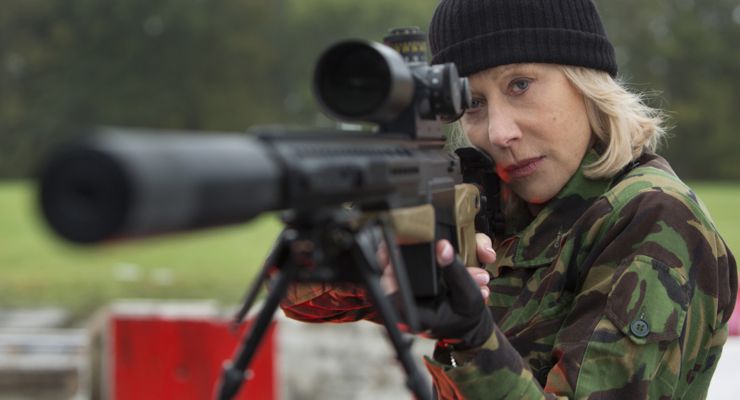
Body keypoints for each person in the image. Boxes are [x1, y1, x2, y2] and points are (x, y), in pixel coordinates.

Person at [278, 0, 738, 398]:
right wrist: (380, 255)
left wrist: (472, 337)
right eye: (473, 103)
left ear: (585, 81)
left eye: (520, 84)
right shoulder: (486, 195)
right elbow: (297, 296)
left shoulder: (653, 217)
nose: (499, 133)